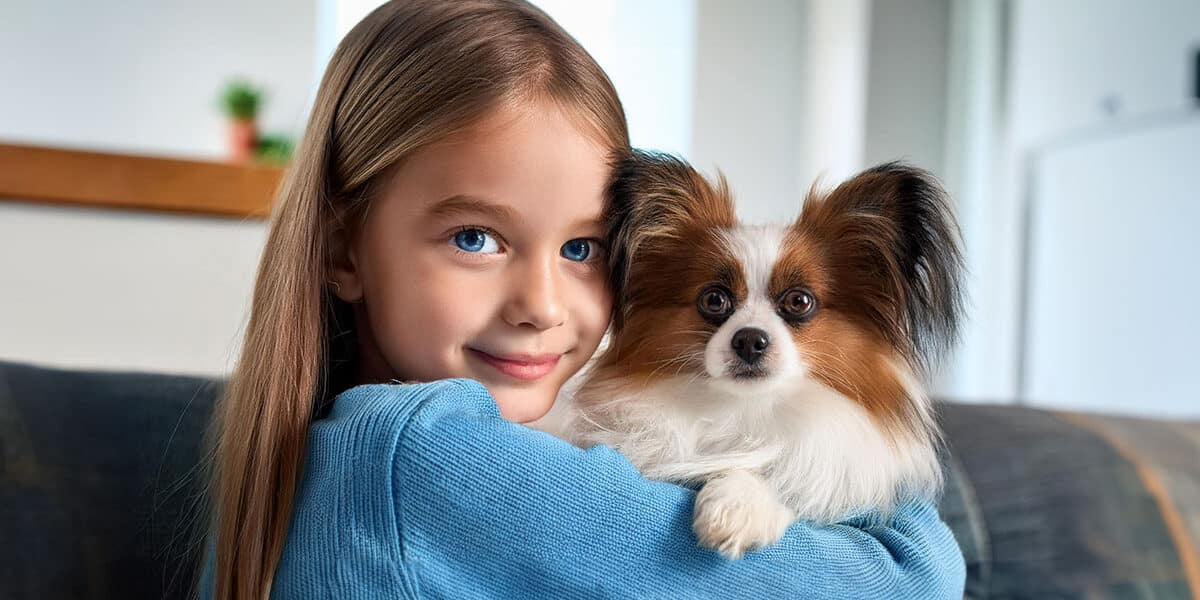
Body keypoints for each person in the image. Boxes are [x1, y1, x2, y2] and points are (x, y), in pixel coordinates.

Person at [199, 1, 966, 598]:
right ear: (342, 252)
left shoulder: (333, 444)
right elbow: (913, 579)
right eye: (475, 238)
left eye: (581, 250)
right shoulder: (428, 459)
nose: (540, 304)